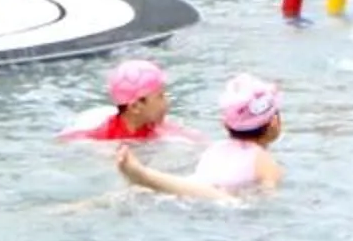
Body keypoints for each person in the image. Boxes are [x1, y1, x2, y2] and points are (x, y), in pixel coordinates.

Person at [117, 74, 285, 201]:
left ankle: (143, 181)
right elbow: (267, 199)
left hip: (192, 187)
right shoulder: (265, 161)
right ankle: (144, 175)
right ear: (274, 123)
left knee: (171, 190)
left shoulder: (217, 147)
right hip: (211, 197)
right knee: (230, 201)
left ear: (226, 125)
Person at [59, 58, 192, 143]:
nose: (167, 102)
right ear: (135, 107)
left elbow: (192, 138)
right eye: (160, 97)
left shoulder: (158, 128)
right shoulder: (106, 134)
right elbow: (67, 139)